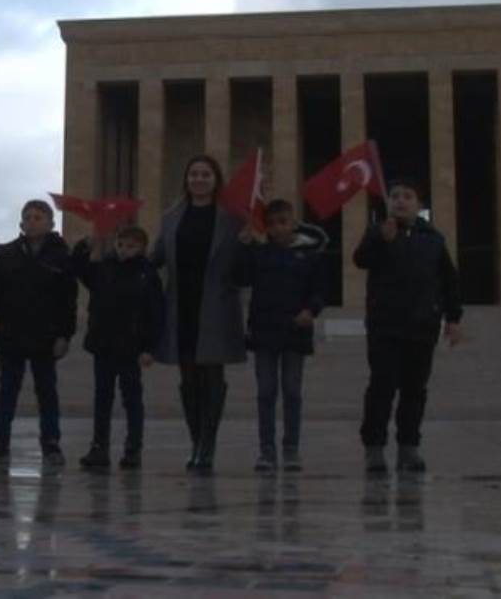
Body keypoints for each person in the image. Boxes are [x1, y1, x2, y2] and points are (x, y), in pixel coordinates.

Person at [352, 178, 464, 474]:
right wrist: (380, 240)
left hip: (421, 327)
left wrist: (453, 318)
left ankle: (408, 447)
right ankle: (374, 449)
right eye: (394, 196)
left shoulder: (433, 240)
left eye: (407, 196)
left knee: (414, 389)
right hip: (385, 326)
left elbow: (449, 282)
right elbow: (360, 260)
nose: (400, 201)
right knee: (381, 387)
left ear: (419, 205)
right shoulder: (379, 232)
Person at [151, 154, 246, 472]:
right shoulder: (171, 217)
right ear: (186, 180)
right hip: (181, 303)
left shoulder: (232, 219)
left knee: (212, 375)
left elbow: (242, 266)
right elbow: (157, 257)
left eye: (206, 174)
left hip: (216, 304)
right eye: (194, 174)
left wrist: (249, 244)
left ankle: (208, 444)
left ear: (216, 180)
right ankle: (196, 442)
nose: (199, 179)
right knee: (188, 376)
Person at [0, 199, 78, 468]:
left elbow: (68, 300)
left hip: (45, 336)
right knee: (7, 392)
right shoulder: (6, 255)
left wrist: (64, 335)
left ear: (50, 223)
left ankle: (51, 444)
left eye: (38, 217)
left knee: (47, 393)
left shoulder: (61, 256)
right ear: (21, 223)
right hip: (11, 334)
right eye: (28, 217)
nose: (32, 221)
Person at [231, 199, 327, 473]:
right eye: (271, 224)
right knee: (266, 392)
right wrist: (243, 246)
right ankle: (266, 450)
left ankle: (291, 448)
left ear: (294, 223)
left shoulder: (309, 255)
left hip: (295, 332)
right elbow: (240, 277)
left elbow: (319, 289)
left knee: (292, 391)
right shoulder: (260, 254)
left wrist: (311, 310)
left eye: (283, 222)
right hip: (265, 332)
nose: (277, 228)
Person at [71, 225, 165, 471]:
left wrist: (149, 348)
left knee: (132, 399)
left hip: (131, 347)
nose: (124, 250)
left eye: (131, 246)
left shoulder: (148, 275)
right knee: (102, 398)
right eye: (121, 245)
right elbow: (79, 270)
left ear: (143, 248)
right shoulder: (104, 269)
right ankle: (99, 447)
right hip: (103, 344)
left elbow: (155, 314)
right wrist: (84, 247)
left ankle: (133, 449)